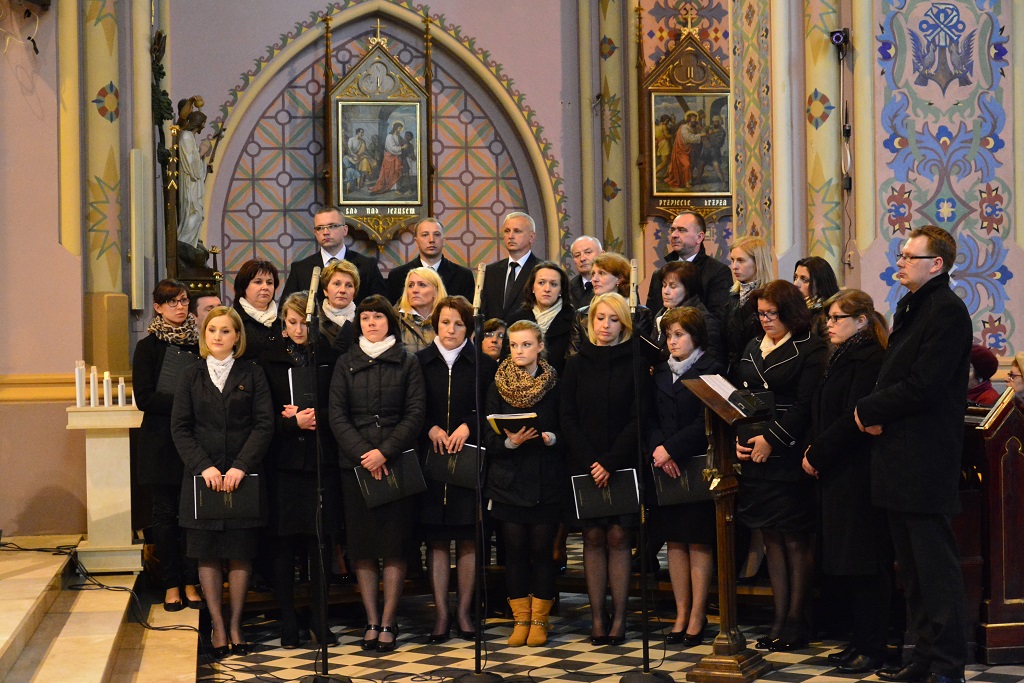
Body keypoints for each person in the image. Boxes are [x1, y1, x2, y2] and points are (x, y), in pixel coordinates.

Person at [855, 225, 972, 683]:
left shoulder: (947, 311)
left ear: (936, 264)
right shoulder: (913, 305)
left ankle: (946, 666)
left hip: (924, 459)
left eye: (909, 257)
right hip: (899, 457)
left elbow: (924, 385)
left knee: (935, 570)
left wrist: (868, 409)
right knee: (913, 571)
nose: (899, 262)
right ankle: (923, 659)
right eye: (900, 255)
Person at [170, 306, 274, 658]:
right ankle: (217, 624)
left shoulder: (253, 372)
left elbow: (264, 424)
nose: (218, 336)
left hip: (242, 476)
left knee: (240, 552)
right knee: (208, 552)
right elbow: (180, 427)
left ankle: (236, 624)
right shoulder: (191, 374)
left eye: (225, 330)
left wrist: (241, 466)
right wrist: (204, 466)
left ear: (237, 336)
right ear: (204, 335)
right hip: (203, 478)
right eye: (212, 329)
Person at [732, 280, 827, 652]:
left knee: (794, 538)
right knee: (770, 537)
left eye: (772, 313)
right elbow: (741, 396)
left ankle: (796, 620)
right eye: (761, 314)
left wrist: (772, 439)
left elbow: (806, 405)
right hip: (755, 454)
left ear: (791, 313)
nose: (765, 320)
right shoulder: (753, 345)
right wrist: (741, 439)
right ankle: (778, 617)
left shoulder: (810, 347)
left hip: (789, 452)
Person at [801, 289, 892, 673]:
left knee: (864, 563)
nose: (829, 324)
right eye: (829, 318)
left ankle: (872, 646)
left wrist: (817, 453)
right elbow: (824, 409)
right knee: (849, 562)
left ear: (861, 321)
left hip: (857, 471)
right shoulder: (840, 354)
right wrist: (816, 448)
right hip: (838, 469)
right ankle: (858, 639)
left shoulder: (870, 357)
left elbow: (854, 417)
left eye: (838, 318)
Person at [329, 294, 426, 652]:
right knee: (364, 548)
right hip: (356, 466)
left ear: (390, 322)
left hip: (396, 462)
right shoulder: (345, 362)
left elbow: (415, 413)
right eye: (366, 317)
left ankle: (389, 619)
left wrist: (385, 452)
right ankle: (371, 619)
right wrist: (364, 454)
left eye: (378, 317)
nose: (371, 323)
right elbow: (337, 414)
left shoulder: (408, 361)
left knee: (394, 546)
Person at [259, 292, 344, 648]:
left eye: (304, 323)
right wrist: (291, 423)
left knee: (319, 543)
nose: (298, 329)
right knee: (284, 545)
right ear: (283, 325)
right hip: (284, 462)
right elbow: (263, 413)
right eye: (292, 323)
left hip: (321, 461)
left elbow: (340, 405)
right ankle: (289, 620)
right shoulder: (269, 359)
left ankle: (320, 620)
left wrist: (313, 417)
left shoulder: (329, 356)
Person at [561, 292, 642, 645]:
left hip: (621, 461)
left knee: (619, 536)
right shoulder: (576, 364)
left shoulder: (635, 362)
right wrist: (592, 462)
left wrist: (610, 462)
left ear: (624, 324)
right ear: (590, 322)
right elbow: (567, 417)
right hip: (585, 463)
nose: (605, 325)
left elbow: (639, 417)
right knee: (593, 536)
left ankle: (620, 618)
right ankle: (597, 617)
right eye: (599, 318)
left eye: (613, 319)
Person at [416, 296, 498, 643]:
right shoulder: (419, 362)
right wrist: (431, 428)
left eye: (459, 324)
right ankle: (441, 613)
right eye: (445, 322)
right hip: (432, 461)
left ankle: (464, 612)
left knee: (467, 539)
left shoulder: (483, 365)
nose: (451, 330)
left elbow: (491, 409)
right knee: (436, 541)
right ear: (436, 324)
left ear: (469, 328)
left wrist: (468, 425)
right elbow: (412, 408)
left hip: (468, 461)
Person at [483, 320, 563, 647]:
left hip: (545, 477)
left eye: (526, 344)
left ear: (540, 346)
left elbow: (567, 424)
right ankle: (520, 619)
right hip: (508, 479)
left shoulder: (553, 383)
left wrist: (551, 437)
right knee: (514, 551)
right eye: (514, 345)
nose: (519, 351)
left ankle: (540, 620)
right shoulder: (497, 383)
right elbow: (487, 433)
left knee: (542, 550)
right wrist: (509, 442)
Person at [648, 307, 724, 646]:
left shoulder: (712, 369)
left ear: (696, 336)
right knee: (675, 542)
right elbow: (649, 416)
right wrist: (658, 450)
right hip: (665, 466)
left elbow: (706, 421)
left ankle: (697, 614)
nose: (672, 341)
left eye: (679, 335)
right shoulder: (661, 371)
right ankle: (680, 613)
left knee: (697, 540)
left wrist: (672, 449)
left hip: (695, 464)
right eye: (669, 335)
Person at [133, 279, 203, 612]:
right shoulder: (148, 347)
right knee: (164, 515)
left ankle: (191, 582)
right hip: (160, 443)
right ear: (158, 307)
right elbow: (144, 398)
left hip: (194, 440)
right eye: (172, 302)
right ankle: (171, 584)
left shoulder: (200, 344)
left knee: (192, 515)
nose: (180, 306)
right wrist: (186, 402)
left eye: (184, 300)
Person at [279, 205, 388, 306]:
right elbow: (284, 311)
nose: (325, 232)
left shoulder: (368, 266)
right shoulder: (300, 269)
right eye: (320, 228)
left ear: (345, 230)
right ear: (315, 233)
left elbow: (383, 308)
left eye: (332, 226)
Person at [646, 211, 732, 322]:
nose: (674, 235)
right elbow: (651, 316)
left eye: (682, 230)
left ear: (699, 237)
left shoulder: (718, 272)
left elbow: (718, 319)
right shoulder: (659, 273)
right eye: (672, 230)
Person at [571, 252, 656, 357]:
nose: (594, 279)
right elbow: (573, 355)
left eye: (601, 273)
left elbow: (641, 354)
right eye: (593, 274)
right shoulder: (581, 315)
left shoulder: (639, 313)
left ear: (619, 278)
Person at [505, 261, 578, 375]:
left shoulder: (574, 318)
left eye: (554, 284)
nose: (547, 289)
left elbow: (575, 362)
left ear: (561, 290)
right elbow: (506, 359)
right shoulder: (517, 318)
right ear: (532, 287)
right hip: (522, 382)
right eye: (541, 283)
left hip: (561, 382)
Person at [386, 218, 475, 303]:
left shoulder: (463, 275)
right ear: (416, 241)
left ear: (444, 240)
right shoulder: (398, 276)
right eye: (425, 235)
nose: (431, 240)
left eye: (437, 234)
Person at [653, 260, 724, 362]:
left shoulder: (704, 320)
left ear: (688, 289)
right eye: (664, 285)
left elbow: (712, 360)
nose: (666, 291)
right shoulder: (661, 315)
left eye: (673, 286)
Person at [724, 235, 774, 368]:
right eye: (733, 260)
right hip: (732, 369)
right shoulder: (732, 297)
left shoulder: (772, 298)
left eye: (741, 260)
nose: (734, 266)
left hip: (758, 367)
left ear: (758, 263)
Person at [481, 212, 540, 321]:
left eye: (517, 231)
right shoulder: (491, 271)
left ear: (531, 237)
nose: (510, 236)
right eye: (507, 231)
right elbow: (484, 310)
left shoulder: (541, 270)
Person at [232, 259, 280, 361]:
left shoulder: (283, 320)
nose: (265, 287)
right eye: (258, 282)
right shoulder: (233, 320)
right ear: (244, 286)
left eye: (269, 283)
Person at [396, 267, 447, 353]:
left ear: (436, 290)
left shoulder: (447, 318)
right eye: (410, 285)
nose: (414, 290)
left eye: (422, 285)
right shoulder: (394, 318)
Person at [318, 259, 360, 355]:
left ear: (354, 292)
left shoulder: (363, 320)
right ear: (325, 290)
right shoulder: (313, 319)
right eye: (337, 284)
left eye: (349, 285)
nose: (342, 290)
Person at [793, 256, 839, 341]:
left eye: (805, 280)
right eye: (796, 277)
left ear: (820, 284)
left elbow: (830, 347)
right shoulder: (795, 309)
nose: (796, 284)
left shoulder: (828, 314)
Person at [370, 121, 407, 194]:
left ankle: (396, 188)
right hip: (390, 157)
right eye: (399, 128)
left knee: (396, 172)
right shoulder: (389, 136)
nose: (400, 130)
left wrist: (404, 145)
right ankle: (389, 187)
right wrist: (402, 148)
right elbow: (392, 148)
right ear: (395, 128)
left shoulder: (398, 136)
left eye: (401, 128)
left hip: (396, 157)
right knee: (390, 172)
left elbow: (403, 143)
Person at [568, 235, 603, 308]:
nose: (582, 259)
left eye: (588, 252)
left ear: (602, 254)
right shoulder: (568, 290)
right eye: (577, 255)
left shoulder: (614, 284)